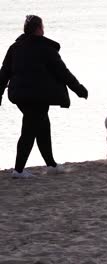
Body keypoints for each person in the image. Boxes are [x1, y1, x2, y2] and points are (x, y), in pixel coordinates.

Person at [0, 15, 88, 178]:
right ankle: (18, 170)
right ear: (39, 29)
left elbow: (4, 73)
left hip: (19, 95)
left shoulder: (15, 48)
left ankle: (51, 165)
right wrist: (79, 89)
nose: (43, 29)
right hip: (37, 96)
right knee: (30, 129)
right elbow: (63, 72)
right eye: (42, 27)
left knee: (42, 127)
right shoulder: (45, 48)